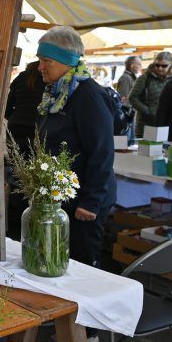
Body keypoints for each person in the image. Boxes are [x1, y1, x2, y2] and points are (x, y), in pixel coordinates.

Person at [36, 26, 116, 267]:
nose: (40, 67)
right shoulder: (57, 94)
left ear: (65, 61)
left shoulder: (88, 96)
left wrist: (90, 201)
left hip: (85, 202)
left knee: (81, 262)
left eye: (46, 60)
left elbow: (101, 151)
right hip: (64, 197)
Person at [4, 61, 44, 241]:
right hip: (36, 130)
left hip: (15, 129)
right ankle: (30, 215)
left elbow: (6, 109)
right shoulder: (45, 80)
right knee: (35, 176)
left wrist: (17, 114)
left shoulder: (21, 79)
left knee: (17, 175)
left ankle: (15, 216)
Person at [129, 51, 172, 138]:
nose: (160, 68)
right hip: (146, 125)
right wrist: (147, 111)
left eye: (164, 66)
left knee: (166, 150)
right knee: (147, 151)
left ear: (171, 65)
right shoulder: (144, 78)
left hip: (168, 125)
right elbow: (132, 98)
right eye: (157, 65)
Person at [116, 56, 141, 143]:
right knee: (126, 144)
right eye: (139, 64)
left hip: (129, 115)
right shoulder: (126, 78)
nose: (140, 66)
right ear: (132, 65)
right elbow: (122, 99)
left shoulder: (130, 77)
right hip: (126, 116)